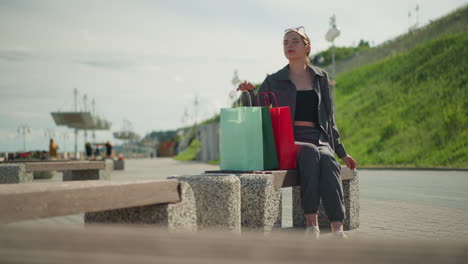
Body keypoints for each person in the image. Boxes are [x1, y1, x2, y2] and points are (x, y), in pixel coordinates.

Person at [238, 26, 356, 239]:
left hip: (318, 137)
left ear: (307, 47)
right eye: (285, 43)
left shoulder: (320, 77)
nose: (289, 46)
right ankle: (312, 224)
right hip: (288, 139)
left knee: (328, 160)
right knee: (310, 153)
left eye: (294, 41)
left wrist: (341, 151)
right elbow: (258, 110)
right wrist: (249, 92)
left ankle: (337, 227)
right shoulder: (273, 80)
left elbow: (329, 118)